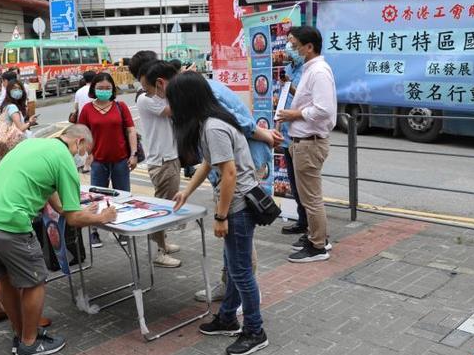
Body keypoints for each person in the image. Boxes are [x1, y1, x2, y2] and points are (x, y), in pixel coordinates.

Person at [130, 50, 281, 298]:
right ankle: (232, 289)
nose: (158, 99)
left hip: (238, 180)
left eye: (152, 91)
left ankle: (244, 297)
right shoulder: (199, 101)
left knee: (238, 240)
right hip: (229, 174)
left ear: (161, 83)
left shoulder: (207, 114)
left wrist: (220, 216)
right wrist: (188, 192)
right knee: (234, 242)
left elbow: (229, 168)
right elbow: (211, 159)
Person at [0, 125, 117, 355]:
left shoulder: (31, 144)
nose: (82, 157)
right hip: (9, 220)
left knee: (4, 279)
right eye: (84, 151)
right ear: (78, 142)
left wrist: (73, 208)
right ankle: (29, 344)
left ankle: (22, 336)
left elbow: (48, 191)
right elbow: (73, 219)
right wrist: (101, 217)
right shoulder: (63, 157)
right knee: (35, 281)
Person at [169, 72, 269, 355]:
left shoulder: (213, 127)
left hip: (237, 207)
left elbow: (229, 173)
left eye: (173, 101)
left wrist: (221, 216)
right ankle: (227, 318)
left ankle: (254, 330)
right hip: (235, 205)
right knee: (235, 266)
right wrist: (186, 192)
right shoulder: (209, 124)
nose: (171, 108)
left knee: (240, 271)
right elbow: (208, 163)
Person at [277, 26, 337, 263]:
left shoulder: (319, 71)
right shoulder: (310, 69)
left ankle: (318, 246)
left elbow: (324, 109)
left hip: (309, 144)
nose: (291, 50)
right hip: (303, 142)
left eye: (294, 45)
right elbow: (309, 100)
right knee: (308, 197)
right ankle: (318, 235)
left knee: (311, 198)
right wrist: (289, 88)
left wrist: (294, 115)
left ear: (309, 47)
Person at [77, 73, 138, 250]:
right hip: (98, 161)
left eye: (107, 88)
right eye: (100, 88)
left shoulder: (121, 106)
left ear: (113, 89)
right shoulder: (87, 109)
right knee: (96, 198)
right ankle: (94, 232)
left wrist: (133, 154)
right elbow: (82, 134)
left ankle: (122, 229)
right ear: (93, 89)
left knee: (123, 196)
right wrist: (88, 155)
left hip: (120, 160)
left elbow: (131, 131)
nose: (104, 91)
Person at [135, 59, 185, 267]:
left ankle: (162, 243)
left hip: (170, 157)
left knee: (166, 205)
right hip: (162, 161)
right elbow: (172, 111)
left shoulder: (158, 97)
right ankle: (158, 252)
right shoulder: (145, 99)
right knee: (161, 208)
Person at [277, 42, 312, 246]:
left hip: (302, 135)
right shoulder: (289, 68)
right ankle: (302, 221)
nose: (291, 50)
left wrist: (290, 86)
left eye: (294, 45)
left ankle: (312, 229)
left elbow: (305, 100)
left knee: (305, 187)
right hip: (288, 133)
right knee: (294, 184)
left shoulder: (308, 71)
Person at [71, 70, 96, 172]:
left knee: (84, 142)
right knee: (94, 142)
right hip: (94, 119)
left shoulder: (79, 91)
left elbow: (75, 108)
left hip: (82, 120)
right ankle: (87, 164)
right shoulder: (95, 90)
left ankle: (83, 163)